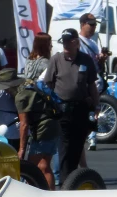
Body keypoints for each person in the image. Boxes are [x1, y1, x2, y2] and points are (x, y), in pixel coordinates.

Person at [44, 28, 99, 183]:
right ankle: (63, 180)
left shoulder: (86, 60)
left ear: (76, 42)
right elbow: (48, 84)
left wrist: (96, 106)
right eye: (64, 42)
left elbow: (92, 86)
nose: (66, 45)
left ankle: (72, 180)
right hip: (62, 109)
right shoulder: (56, 59)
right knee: (63, 147)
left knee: (77, 145)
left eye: (69, 41)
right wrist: (50, 105)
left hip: (81, 108)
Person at [16, 75, 60, 189]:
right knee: (44, 165)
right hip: (53, 124)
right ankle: (50, 196)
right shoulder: (30, 87)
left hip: (43, 129)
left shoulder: (21, 96)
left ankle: (38, 196)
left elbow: (24, 124)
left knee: (33, 168)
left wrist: (21, 149)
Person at [78, 12, 108, 152]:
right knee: (87, 109)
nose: (93, 27)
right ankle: (87, 136)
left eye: (95, 25)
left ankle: (92, 136)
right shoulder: (77, 42)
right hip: (83, 81)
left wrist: (101, 59)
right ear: (83, 24)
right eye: (91, 25)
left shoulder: (94, 43)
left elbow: (97, 65)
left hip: (94, 80)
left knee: (95, 109)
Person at [0, 68, 24, 150]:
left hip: (12, 134)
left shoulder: (21, 96)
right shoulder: (16, 92)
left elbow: (24, 122)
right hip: (12, 133)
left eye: (6, 88)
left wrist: (22, 149)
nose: (6, 91)